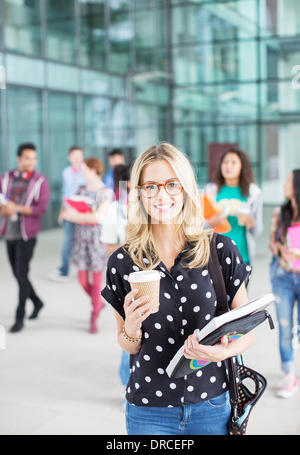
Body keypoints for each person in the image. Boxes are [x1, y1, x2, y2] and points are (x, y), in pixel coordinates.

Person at [102, 143, 254, 435]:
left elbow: (245, 333)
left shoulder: (219, 249)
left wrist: (221, 354)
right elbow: (127, 343)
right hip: (148, 409)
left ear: (185, 188)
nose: (162, 195)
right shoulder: (122, 261)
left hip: (211, 404)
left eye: (172, 184)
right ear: (139, 193)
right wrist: (132, 327)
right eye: (151, 186)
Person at [0, 143, 50, 333]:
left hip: (27, 235)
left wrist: (17, 208)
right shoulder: (5, 178)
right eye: (28, 158)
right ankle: (37, 301)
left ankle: (19, 317)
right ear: (19, 159)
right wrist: (4, 209)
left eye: (34, 158)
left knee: (21, 273)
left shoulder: (40, 181)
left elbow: (41, 209)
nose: (32, 162)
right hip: (9, 233)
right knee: (18, 273)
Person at [62, 157, 114, 334]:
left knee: (97, 281)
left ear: (93, 169)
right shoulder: (81, 189)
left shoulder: (106, 192)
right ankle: (98, 303)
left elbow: (98, 218)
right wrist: (75, 215)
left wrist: (75, 217)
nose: (82, 172)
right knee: (83, 281)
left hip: (97, 241)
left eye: (85, 169)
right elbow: (68, 210)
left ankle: (94, 316)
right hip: (81, 239)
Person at [269, 169, 300, 398]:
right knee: (285, 327)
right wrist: (282, 251)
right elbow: (272, 243)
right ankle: (289, 374)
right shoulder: (281, 212)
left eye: (288, 181)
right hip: (282, 277)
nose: (284, 184)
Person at [101, 164, 131, 393]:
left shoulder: (159, 208)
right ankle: (128, 385)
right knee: (129, 330)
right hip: (127, 279)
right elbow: (109, 246)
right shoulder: (115, 210)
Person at [205, 147, 263, 265]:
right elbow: (197, 224)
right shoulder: (210, 190)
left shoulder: (254, 193)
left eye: (233, 162)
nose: (228, 166)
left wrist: (252, 224)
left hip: (241, 256)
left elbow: (258, 230)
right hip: (214, 255)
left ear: (242, 167)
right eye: (225, 162)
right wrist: (210, 223)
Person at [48, 146, 86, 282]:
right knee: (68, 241)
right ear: (69, 157)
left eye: (80, 156)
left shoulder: (86, 171)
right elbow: (66, 194)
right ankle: (64, 270)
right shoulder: (66, 172)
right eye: (75, 156)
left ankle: (89, 270)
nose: (78, 158)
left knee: (85, 241)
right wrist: (61, 211)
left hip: (83, 212)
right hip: (69, 212)